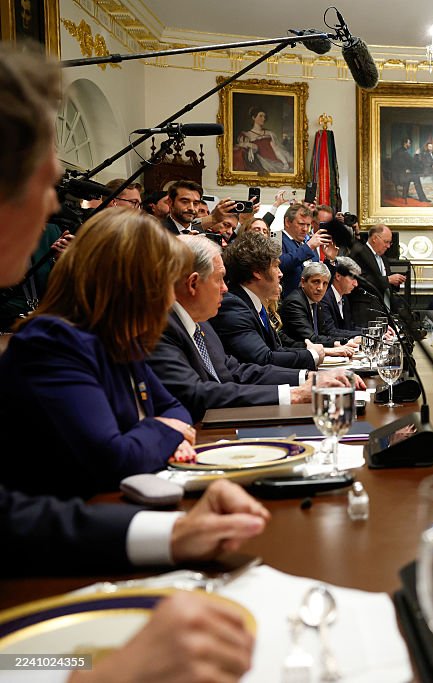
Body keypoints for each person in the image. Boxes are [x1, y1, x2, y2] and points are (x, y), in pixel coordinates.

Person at [0, 43, 260, 681]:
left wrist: (172, 535)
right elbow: (116, 453)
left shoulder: (110, 343)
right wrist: (107, 671)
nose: (53, 200)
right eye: (47, 176)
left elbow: (10, 518)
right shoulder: (52, 344)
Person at [0, 208, 199, 498]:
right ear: (131, 285)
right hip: (71, 524)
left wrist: (162, 432)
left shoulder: (119, 337)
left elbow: (176, 408)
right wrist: (167, 433)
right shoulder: (52, 344)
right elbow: (114, 460)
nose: (171, 298)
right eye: (165, 283)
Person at [147, 236, 330, 422]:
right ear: (193, 283)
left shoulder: (202, 324)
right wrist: (294, 394)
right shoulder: (160, 328)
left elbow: (236, 371)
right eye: (219, 279)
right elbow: (196, 394)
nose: (225, 289)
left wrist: (308, 377)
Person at [210, 231, 325, 370]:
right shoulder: (233, 306)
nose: (281, 273)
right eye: (276, 266)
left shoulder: (253, 302)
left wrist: (309, 353)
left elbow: (275, 349)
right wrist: (311, 355)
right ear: (257, 271)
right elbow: (263, 359)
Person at [281, 261, 361, 346]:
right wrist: (343, 342)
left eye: (325, 283)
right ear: (303, 282)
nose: (320, 288)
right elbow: (311, 338)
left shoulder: (316, 302)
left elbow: (326, 332)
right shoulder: (295, 303)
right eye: (316, 282)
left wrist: (351, 339)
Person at [350, 223, 404, 322]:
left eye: (390, 243)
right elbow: (361, 279)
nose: (388, 246)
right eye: (386, 242)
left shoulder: (383, 257)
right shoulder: (360, 253)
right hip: (366, 310)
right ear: (375, 238)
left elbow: (386, 281)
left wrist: (395, 281)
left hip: (384, 308)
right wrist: (388, 279)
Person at [279, 203, 334, 296]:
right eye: (301, 224)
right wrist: (309, 247)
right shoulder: (277, 239)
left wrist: (330, 260)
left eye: (308, 225)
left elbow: (322, 282)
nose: (305, 229)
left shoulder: (307, 243)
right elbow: (280, 264)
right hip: (288, 302)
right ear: (287, 222)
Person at [234, 105, 293, 174]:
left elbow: (276, 149)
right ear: (253, 117)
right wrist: (250, 147)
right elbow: (243, 146)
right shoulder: (247, 135)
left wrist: (285, 163)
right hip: (260, 162)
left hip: (273, 161)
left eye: (264, 116)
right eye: (261, 116)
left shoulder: (269, 133)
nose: (264, 118)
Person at [323, 256, 362, 336]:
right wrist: (366, 334)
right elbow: (331, 332)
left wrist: (373, 331)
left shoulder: (344, 298)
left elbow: (350, 327)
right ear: (338, 276)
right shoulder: (325, 299)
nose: (356, 284)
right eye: (352, 278)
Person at [392, 137, 430, 203]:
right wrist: (416, 154)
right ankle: (422, 198)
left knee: (410, 174)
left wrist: (405, 169)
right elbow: (413, 163)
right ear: (405, 143)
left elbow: (399, 164)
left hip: (395, 176)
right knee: (416, 177)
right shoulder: (404, 153)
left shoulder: (398, 151)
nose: (410, 145)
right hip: (399, 177)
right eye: (409, 143)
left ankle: (405, 194)